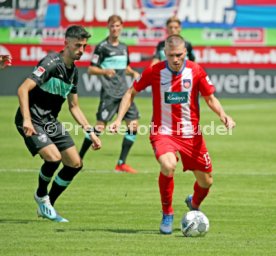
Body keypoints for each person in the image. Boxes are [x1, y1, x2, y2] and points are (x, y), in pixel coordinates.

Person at [109, 35, 236, 234]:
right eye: (171, 55)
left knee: (206, 181)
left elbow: (210, 98)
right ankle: (167, 213)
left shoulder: (195, 71)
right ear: (165, 54)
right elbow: (130, 93)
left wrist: (223, 115)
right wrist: (118, 120)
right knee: (168, 165)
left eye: (179, 55)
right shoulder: (155, 71)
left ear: (185, 53)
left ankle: (193, 204)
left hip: (191, 135)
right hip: (163, 132)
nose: (175, 59)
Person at [15, 25, 101, 223]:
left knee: (75, 163)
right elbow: (22, 89)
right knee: (53, 158)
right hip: (32, 119)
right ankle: (41, 195)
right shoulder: (51, 62)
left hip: (50, 121)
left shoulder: (74, 72)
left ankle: (48, 205)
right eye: (77, 45)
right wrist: (27, 119)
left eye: (84, 46)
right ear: (66, 43)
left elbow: (74, 107)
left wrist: (91, 132)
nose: (81, 49)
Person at [79, 15, 140, 174]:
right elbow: (91, 69)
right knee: (99, 127)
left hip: (124, 93)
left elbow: (125, 68)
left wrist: (132, 73)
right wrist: (104, 71)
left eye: (118, 26)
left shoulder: (124, 47)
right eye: (112, 26)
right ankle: (77, 159)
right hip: (109, 94)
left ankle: (121, 163)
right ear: (108, 27)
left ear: (122, 27)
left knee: (133, 126)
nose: (115, 29)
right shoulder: (102, 47)